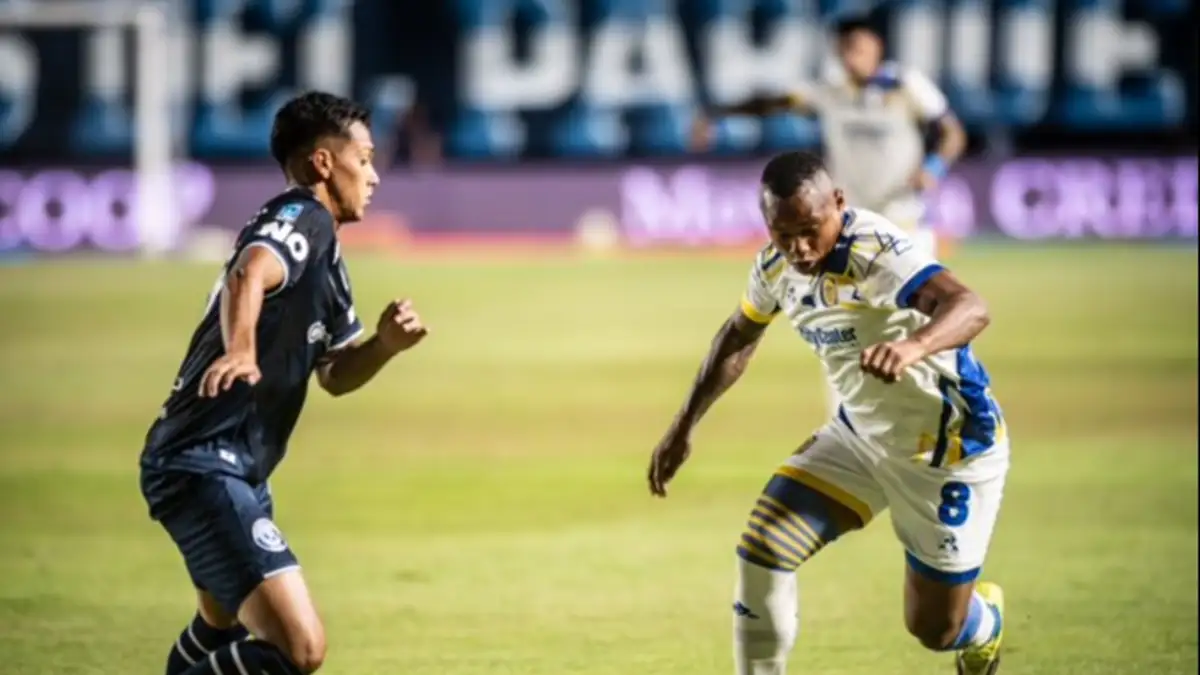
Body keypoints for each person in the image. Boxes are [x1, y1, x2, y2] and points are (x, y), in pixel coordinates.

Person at [647, 151, 1008, 675]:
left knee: (936, 630)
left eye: (809, 230)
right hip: (859, 437)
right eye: (782, 233)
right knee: (764, 546)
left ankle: (985, 625)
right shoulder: (775, 268)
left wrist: (913, 346)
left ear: (838, 203)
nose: (798, 248)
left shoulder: (875, 252)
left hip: (945, 449)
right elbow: (737, 338)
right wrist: (684, 425)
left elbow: (971, 306)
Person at [139, 91, 428, 675]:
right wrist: (242, 350)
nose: (374, 176)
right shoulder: (302, 217)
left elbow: (335, 376)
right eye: (364, 159)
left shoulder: (328, 257)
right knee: (301, 648)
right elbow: (250, 271)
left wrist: (384, 346)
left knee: (218, 628)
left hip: (231, 464)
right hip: (204, 462)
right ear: (323, 162)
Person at [691, 14, 967, 417]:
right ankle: (850, 421)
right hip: (846, 233)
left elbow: (952, 132)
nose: (850, 58)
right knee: (840, 328)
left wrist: (934, 168)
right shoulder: (830, 90)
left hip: (903, 226)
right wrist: (717, 113)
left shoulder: (905, 85)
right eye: (843, 50)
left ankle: (935, 412)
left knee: (915, 325)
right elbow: (772, 103)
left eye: (857, 48)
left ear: (876, 48)